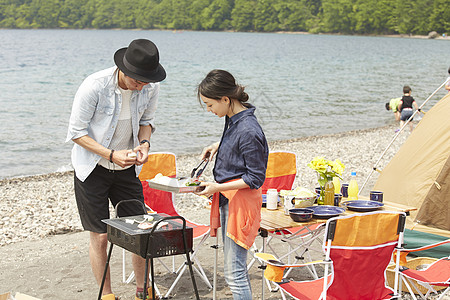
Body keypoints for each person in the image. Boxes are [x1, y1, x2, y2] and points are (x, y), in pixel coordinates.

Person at [66, 39, 166, 300]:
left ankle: (143, 290)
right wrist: (110, 154)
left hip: (126, 170)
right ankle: (107, 294)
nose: (143, 85)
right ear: (124, 69)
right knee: (100, 237)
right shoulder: (94, 86)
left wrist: (144, 143)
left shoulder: (150, 87)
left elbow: (147, 122)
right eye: (138, 80)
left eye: (147, 80)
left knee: (140, 231)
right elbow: (76, 133)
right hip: (92, 168)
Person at [195, 69, 269, 299]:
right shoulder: (235, 118)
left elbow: (255, 178)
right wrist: (220, 144)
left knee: (235, 273)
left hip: (241, 204)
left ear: (225, 99)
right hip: (231, 200)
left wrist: (216, 187)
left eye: (209, 105)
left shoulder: (248, 129)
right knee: (232, 271)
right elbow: (239, 143)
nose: (209, 110)